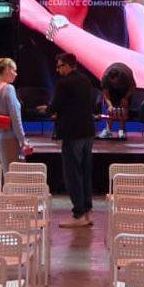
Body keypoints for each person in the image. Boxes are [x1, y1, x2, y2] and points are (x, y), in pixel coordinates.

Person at [49, 52, 97, 227]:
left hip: (72, 133)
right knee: (85, 172)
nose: (57, 70)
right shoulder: (86, 80)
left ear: (68, 65)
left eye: (60, 66)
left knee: (72, 175)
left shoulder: (64, 83)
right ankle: (87, 212)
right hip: (88, 132)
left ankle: (78, 214)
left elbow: (55, 106)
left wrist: (47, 110)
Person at [0, 56, 30, 172]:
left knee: (2, 177)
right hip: (9, 140)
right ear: (7, 70)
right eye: (14, 70)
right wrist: (23, 140)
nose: (16, 74)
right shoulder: (9, 88)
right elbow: (16, 118)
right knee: (13, 176)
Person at [100, 61, 137, 140]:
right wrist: (110, 105)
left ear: (119, 77)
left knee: (124, 106)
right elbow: (106, 94)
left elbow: (132, 87)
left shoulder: (126, 76)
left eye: (116, 81)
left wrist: (125, 98)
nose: (115, 83)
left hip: (125, 89)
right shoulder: (105, 78)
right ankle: (108, 130)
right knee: (110, 109)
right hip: (112, 91)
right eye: (112, 81)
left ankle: (121, 130)